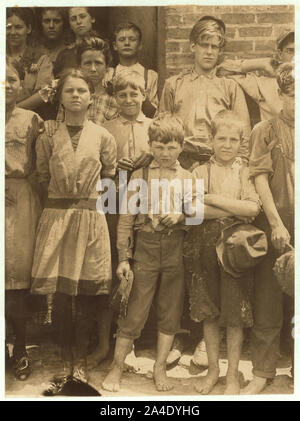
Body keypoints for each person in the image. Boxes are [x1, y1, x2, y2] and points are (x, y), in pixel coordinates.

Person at [30, 69, 116, 390]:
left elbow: (109, 178)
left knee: (87, 294)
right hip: (58, 217)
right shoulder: (48, 136)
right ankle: (65, 359)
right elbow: (41, 177)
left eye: (82, 90)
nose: (76, 95)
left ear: (91, 97)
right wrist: (58, 208)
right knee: (63, 295)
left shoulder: (103, 136)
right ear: (60, 97)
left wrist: (93, 212)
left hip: (91, 219)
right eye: (70, 91)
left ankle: (81, 360)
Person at [102, 114, 197, 393]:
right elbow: (125, 221)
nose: (165, 153)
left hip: (175, 250)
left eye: (171, 147)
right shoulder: (138, 176)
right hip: (145, 248)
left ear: (181, 146)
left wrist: (180, 215)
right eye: (158, 147)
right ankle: (117, 366)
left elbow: (197, 214)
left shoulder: (188, 177)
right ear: (150, 145)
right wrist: (123, 258)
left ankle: (159, 368)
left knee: (170, 310)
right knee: (134, 310)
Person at [184, 110, 261, 395]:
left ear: (241, 142)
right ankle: (214, 370)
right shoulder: (199, 171)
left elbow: (253, 209)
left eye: (232, 139)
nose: (226, 145)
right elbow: (192, 211)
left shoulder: (245, 171)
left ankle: (232, 375)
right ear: (211, 141)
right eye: (221, 139)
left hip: (235, 250)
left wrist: (213, 199)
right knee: (209, 311)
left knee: (235, 312)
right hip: (203, 248)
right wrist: (233, 207)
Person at [241, 63, 294, 394]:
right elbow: (259, 175)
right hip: (277, 218)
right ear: (282, 95)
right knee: (268, 297)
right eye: (294, 95)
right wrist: (275, 223)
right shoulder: (265, 130)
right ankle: (262, 371)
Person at [159, 15, 251, 169]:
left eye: (214, 47)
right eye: (204, 45)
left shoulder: (230, 87)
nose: (209, 51)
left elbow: (244, 133)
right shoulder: (174, 84)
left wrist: (241, 165)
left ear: (220, 51)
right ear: (193, 46)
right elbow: (162, 129)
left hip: (219, 162)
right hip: (181, 161)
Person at [5, 61, 43, 380]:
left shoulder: (32, 120)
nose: (5, 85)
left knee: (18, 275)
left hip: (21, 198)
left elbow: (42, 165)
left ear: (20, 85)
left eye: (11, 80)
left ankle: (20, 349)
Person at [217, 28, 294, 121]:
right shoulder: (265, 85)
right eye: (290, 51)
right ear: (280, 54)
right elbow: (222, 68)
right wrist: (262, 63)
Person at [104, 22, 158, 118]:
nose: (127, 43)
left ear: (140, 45)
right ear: (115, 46)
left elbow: (154, 113)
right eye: (122, 40)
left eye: (132, 39)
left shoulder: (150, 75)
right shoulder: (109, 73)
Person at [6, 7, 53, 113]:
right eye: (8, 27)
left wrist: (14, 110)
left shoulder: (41, 58)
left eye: (18, 27)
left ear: (28, 29)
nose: (13, 32)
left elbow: (45, 93)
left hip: (30, 116)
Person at [53, 7, 98, 78]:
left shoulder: (104, 48)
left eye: (82, 16)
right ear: (70, 24)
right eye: (73, 19)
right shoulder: (64, 55)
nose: (78, 22)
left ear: (92, 18)